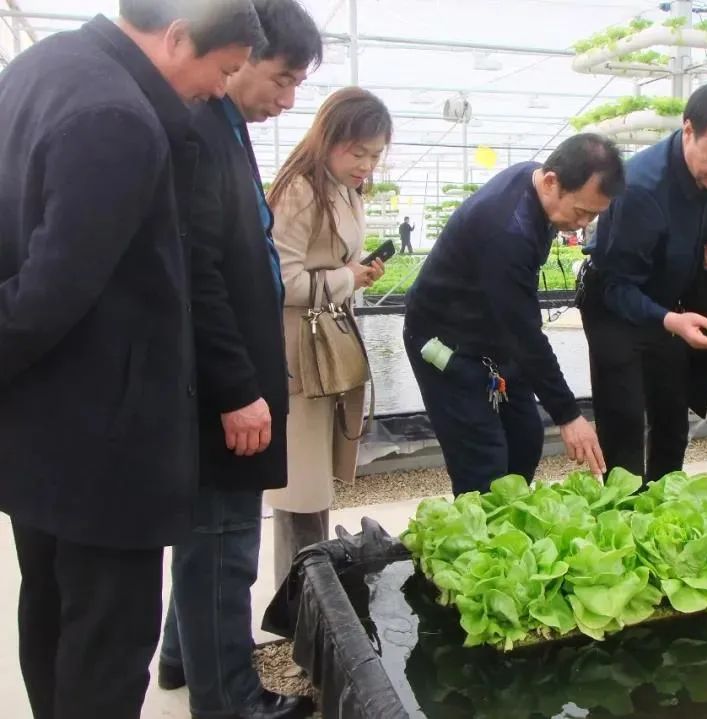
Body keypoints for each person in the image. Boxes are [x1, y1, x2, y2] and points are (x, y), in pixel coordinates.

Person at [0, 3, 263, 718]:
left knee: (50, 615)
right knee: (106, 645)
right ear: (177, 35)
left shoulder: (36, 70)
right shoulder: (117, 117)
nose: (220, 88)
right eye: (225, 68)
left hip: (39, 430)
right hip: (103, 443)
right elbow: (49, 294)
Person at [155, 2, 323, 718]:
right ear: (240, 53)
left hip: (230, 377)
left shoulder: (222, 125)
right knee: (224, 541)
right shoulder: (199, 125)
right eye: (280, 81)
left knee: (207, 533)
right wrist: (235, 386)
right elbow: (199, 271)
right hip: (222, 387)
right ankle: (229, 702)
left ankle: (179, 656)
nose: (285, 101)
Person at [403, 134, 624, 495]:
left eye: (594, 215)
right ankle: (476, 541)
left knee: (525, 438)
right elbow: (524, 332)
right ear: (552, 181)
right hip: (444, 343)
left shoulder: (534, 179)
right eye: (581, 211)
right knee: (484, 463)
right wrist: (568, 415)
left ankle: (508, 533)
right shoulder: (505, 230)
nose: (583, 224)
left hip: (493, 340)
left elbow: (516, 327)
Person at [580, 81, 707, 483]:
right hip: (615, 307)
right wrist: (671, 321)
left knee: (672, 420)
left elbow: (702, 222)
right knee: (624, 425)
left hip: (666, 302)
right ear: (689, 129)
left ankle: (663, 517)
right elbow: (615, 287)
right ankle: (620, 525)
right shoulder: (640, 188)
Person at [265, 88, 390, 585]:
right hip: (300, 354)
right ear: (328, 138)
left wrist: (352, 274)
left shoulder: (342, 187)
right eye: (357, 151)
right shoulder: (300, 189)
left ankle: (309, 604)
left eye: (375, 154)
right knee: (300, 486)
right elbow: (278, 281)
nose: (365, 163)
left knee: (313, 484)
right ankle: (297, 607)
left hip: (324, 349)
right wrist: (346, 279)